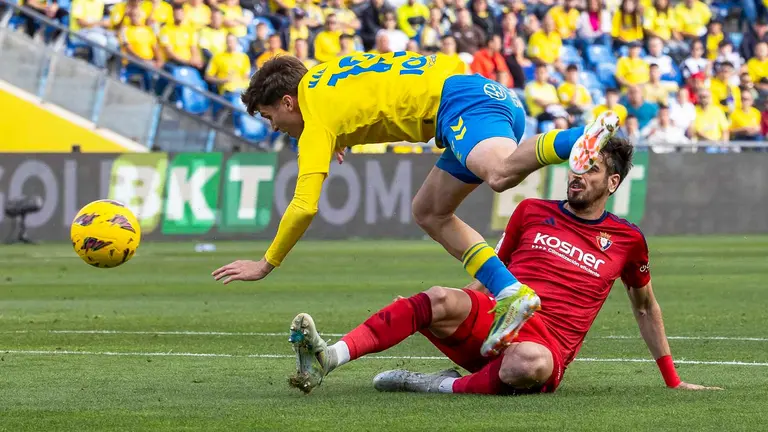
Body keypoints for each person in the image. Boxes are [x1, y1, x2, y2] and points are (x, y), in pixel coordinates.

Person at [212, 53, 620, 358]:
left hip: (462, 103)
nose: (274, 127)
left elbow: (304, 207)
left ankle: (576, 141)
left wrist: (266, 263)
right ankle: (510, 291)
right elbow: (375, 94)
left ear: (287, 101)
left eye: (270, 117)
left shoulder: (314, 117)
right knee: (429, 211)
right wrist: (339, 138)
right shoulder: (324, 77)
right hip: (473, 92)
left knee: (498, 174)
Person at [286, 138, 722, 394]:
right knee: (437, 297)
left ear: (612, 183)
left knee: (527, 364)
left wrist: (672, 380)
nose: (577, 174)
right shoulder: (531, 210)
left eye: (590, 170)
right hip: (497, 321)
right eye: (576, 166)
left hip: (544, 347)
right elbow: (491, 270)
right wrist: (459, 311)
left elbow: (645, 307)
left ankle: (431, 384)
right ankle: (328, 357)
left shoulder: (628, 240)